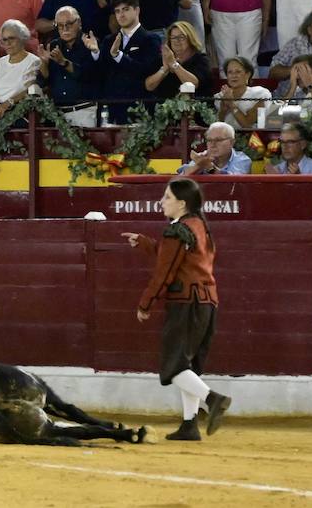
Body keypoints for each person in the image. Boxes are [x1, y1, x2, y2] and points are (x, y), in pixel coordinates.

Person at [122, 177, 232, 442]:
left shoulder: (178, 230)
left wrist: (146, 302)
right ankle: (189, 424)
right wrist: (146, 243)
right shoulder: (199, 226)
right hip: (207, 302)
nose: (162, 202)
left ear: (182, 203)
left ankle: (212, 399)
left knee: (173, 365)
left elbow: (165, 272)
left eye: (167, 198)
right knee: (188, 365)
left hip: (186, 302)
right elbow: (172, 256)